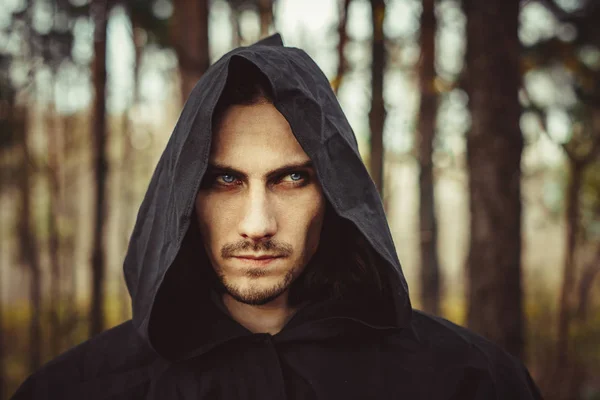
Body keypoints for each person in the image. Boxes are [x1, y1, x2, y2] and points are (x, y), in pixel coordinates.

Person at [12, 34, 543, 400]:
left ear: (334, 192)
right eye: (225, 180)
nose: (257, 224)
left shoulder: (468, 381)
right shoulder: (81, 389)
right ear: (183, 197)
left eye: (291, 179)